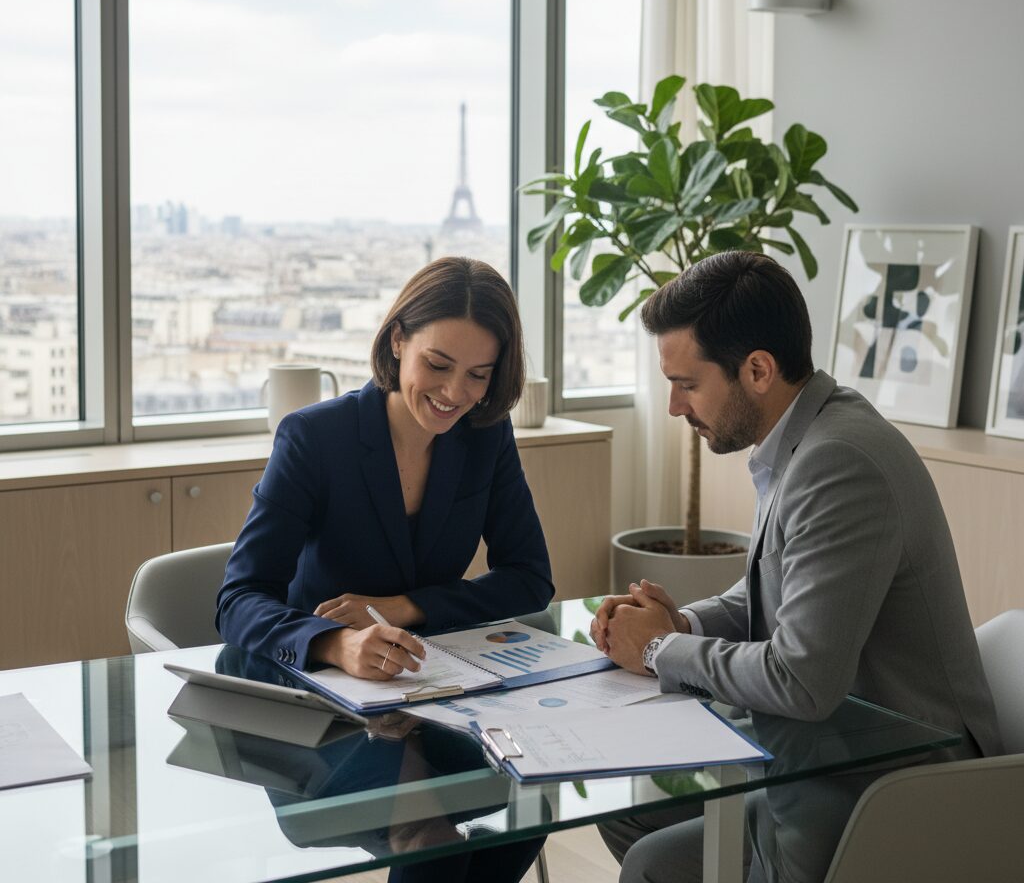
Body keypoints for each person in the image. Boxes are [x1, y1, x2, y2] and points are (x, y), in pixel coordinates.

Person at [590, 251, 1002, 883]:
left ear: (757, 369)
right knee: (627, 816)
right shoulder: (808, 434)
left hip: (888, 789)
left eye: (687, 384)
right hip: (831, 756)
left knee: (649, 862)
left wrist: (660, 650)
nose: (675, 408)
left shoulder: (839, 462)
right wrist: (681, 625)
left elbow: (802, 680)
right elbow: (773, 590)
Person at [217, 256, 553, 883]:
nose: (455, 393)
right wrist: (337, 642)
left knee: (528, 811)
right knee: (431, 838)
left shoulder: (485, 435)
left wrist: (407, 608)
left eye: (479, 374)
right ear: (398, 340)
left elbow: (531, 576)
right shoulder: (316, 438)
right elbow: (238, 599)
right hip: (314, 705)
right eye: (438, 364)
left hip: (435, 690)